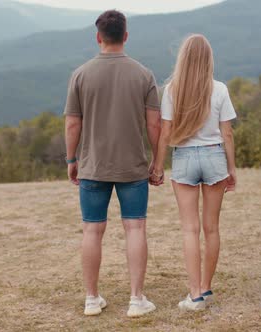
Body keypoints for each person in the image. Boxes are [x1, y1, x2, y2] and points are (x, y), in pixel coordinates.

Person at [64, 10, 162, 318]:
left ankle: (92, 299)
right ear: (126, 36)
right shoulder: (144, 74)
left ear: (98, 37)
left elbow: (71, 124)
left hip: (92, 166)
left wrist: (71, 159)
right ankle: (136, 299)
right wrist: (158, 161)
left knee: (92, 231)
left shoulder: (80, 74)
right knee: (135, 227)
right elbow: (155, 124)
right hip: (133, 166)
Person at [152, 34, 237, 311]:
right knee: (212, 228)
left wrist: (158, 165)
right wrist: (231, 168)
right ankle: (206, 287)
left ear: (183, 59)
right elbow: (227, 133)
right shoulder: (220, 89)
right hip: (214, 157)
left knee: (190, 229)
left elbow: (165, 133)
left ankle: (194, 295)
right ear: (208, 59)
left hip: (185, 157)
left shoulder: (172, 90)